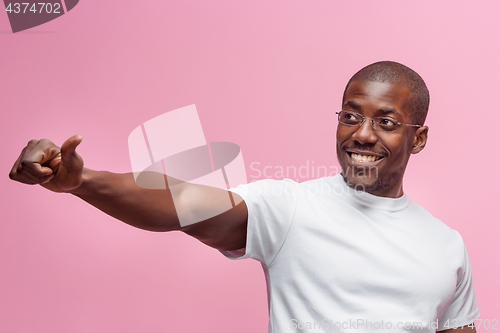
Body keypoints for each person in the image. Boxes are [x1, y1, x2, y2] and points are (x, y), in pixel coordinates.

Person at [9, 61, 479, 332]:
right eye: (350, 116)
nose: (362, 134)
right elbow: (183, 203)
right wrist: (82, 180)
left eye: (387, 122)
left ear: (417, 139)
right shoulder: (291, 207)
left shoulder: (446, 245)